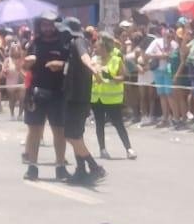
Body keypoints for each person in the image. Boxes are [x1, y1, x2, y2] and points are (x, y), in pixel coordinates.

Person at [22, 15, 71, 181]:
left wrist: (62, 65)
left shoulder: (64, 43)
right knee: (35, 130)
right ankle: (32, 167)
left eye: (50, 24)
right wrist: (26, 62)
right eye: (44, 24)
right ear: (40, 26)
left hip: (58, 92)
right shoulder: (34, 43)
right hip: (37, 92)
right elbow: (24, 65)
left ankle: (60, 167)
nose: (47, 28)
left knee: (59, 131)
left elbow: (73, 64)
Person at [58, 20, 105, 185]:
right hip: (76, 97)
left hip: (77, 99)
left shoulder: (78, 42)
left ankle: (94, 167)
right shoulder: (73, 45)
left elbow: (85, 57)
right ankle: (81, 170)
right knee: (76, 135)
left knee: (71, 136)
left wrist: (93, 67)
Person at [91, 31, 135, 161]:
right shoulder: (93, 60)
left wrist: (111, 77)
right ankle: (102, 149)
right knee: (99, 123)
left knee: (118, 123)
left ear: (104, 47)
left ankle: (128, 148)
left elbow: (122, 77)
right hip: (96, 97)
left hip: (112, 99)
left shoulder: (116, 60)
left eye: (97, 46)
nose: (95, 48)